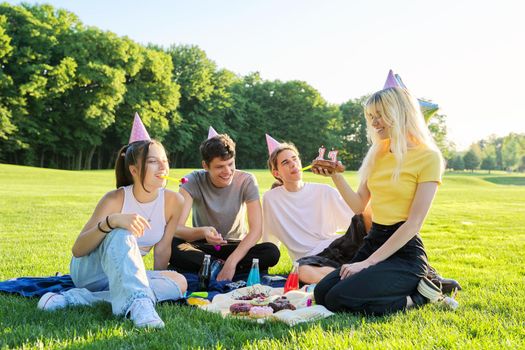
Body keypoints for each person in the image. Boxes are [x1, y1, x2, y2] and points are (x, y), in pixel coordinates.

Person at [312, 86, 456, 315]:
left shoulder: (429, 157)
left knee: (338, 298)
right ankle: (404, 288)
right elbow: (359, 205)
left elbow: (413, 224)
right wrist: (335, 176)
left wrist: (367, 263)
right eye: (371, 116)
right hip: (374, 240)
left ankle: (421, 296)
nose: (374, 122)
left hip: (404, 250)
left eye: (380, 115)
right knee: (322, 293)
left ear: (400, 113)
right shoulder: (378, 151)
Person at [37, 115, 187, 328]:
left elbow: (162, 249)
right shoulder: (114, 199)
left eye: (165, 161)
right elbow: (78, 250)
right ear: (134, 170)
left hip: (122, 272)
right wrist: (112, 221)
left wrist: (150, 279)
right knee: (121, 233)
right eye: (153, 161)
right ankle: (139, 304)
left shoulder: (175, 201)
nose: (162, 167)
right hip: (91, 271)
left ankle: (75, 299)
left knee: (178, 282)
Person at [169, 131, 280, 282]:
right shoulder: (192, 180)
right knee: (173, 245)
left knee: (271, 252)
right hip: (204, 246)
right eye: (220, 166)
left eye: (230, 164)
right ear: (205, 166)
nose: (227, 171)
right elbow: (176, 228)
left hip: (236, 247)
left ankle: (212, 268)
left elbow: (256, 231)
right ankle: (220, 266)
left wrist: (231, 262)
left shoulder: (247, 180)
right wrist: (203, 232)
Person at [263, 141, 372, 284]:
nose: (293, 164)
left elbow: (355, 216)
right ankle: (358, 281)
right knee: (301, 271)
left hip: (340, 246)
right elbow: (269, 240)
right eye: (285, 162)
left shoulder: (324, 190)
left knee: (366, 214)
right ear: (276, 173)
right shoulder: (271, 199)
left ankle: (360, 273)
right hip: (312, 261)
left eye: (295, 159)